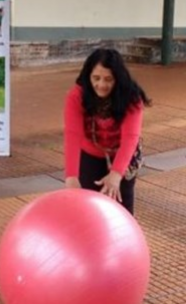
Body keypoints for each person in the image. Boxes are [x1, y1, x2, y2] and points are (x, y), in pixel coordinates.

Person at [63, 48, 150, 214]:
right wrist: (71, 177)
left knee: (121, 203)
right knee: (89, 206)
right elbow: (72, 136)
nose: (101, 85)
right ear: (87, 77)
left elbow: (130, 138)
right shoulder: (76, 96)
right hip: (90, 151)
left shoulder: (131, 97)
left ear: (118, 79)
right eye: (96, 78)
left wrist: (116, 175)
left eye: (108, 79)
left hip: (122, 153)